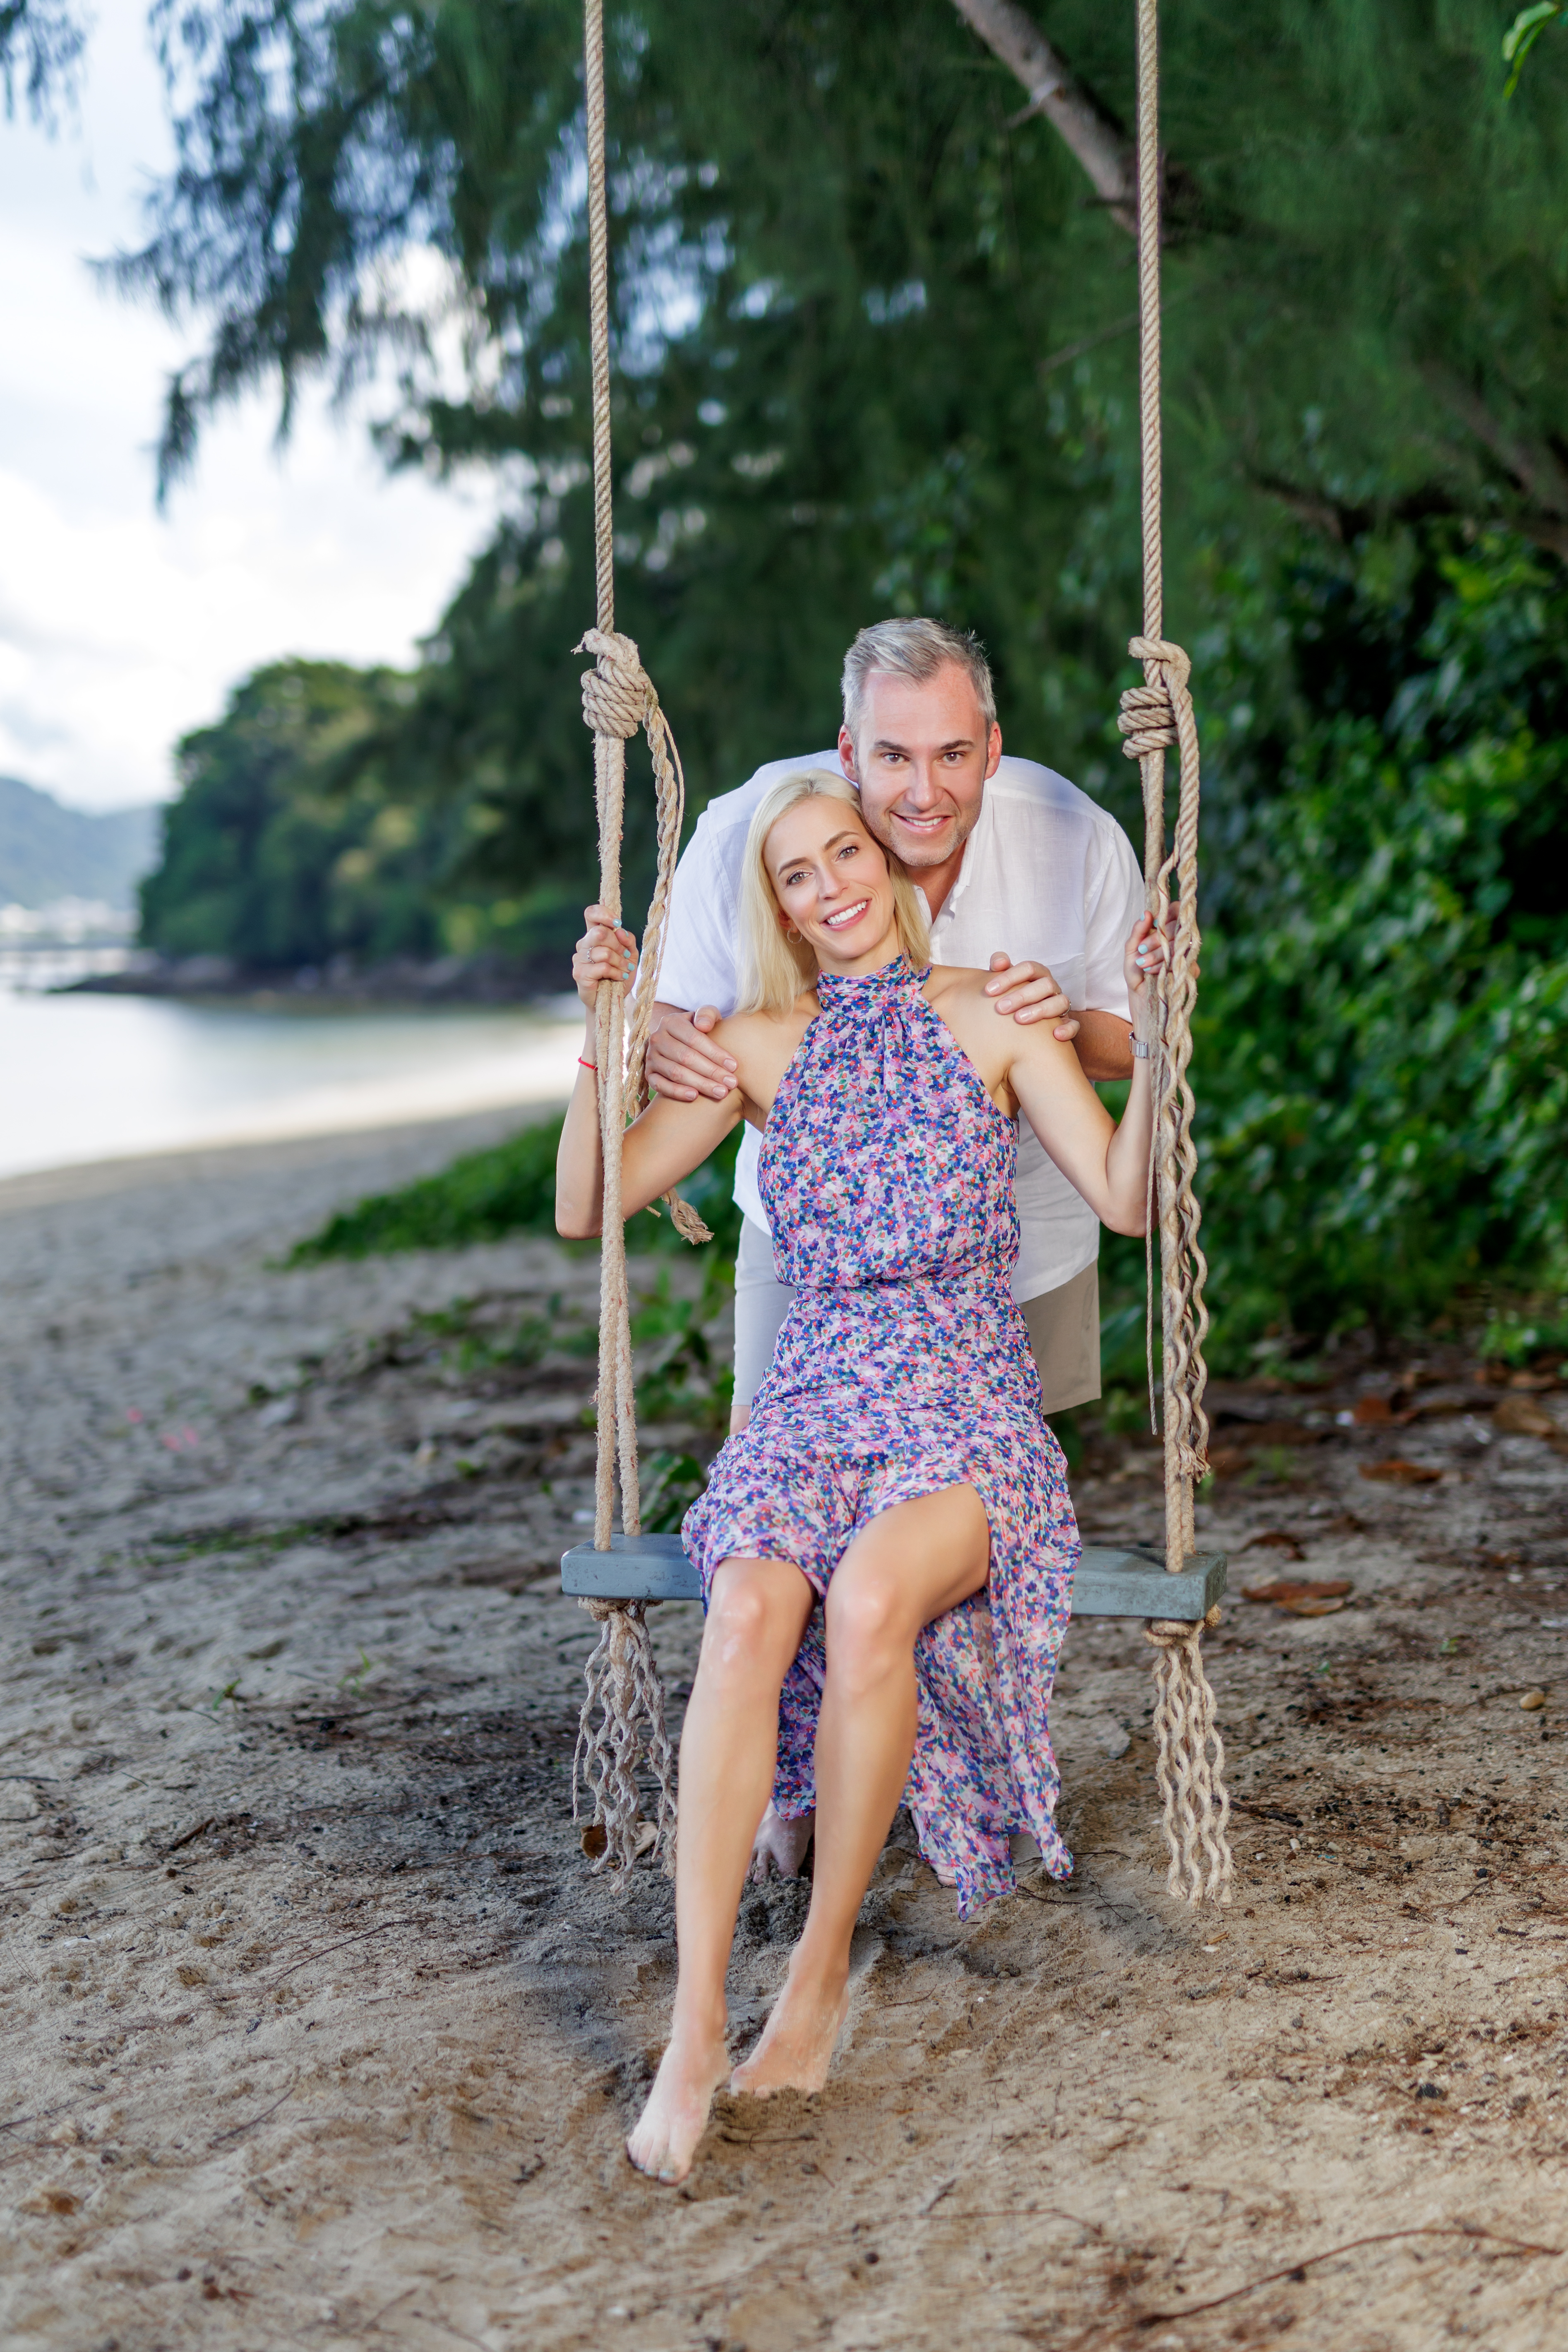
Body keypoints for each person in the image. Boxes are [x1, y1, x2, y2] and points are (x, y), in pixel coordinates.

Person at [556, 767, 1166, 2186]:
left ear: (886, 859)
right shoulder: (759, 1044)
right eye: (796, 873)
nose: (831, 885)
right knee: (750, 1609)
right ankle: (697, 2024)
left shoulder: (998, 1014)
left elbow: (1129, 1199)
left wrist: (1170, 1032)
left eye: (846, 852)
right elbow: (591, 1206)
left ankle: (818, 1971)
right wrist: (601, 1039)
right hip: (811, 1402)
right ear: (773, 903)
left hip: (962, 1400)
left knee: (873, 1595)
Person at [648, 616, 1145, 1880]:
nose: (924, 790)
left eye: (953, 755)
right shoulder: (763, 834)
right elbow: (687, 1025)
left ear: (992, 747)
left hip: (1011, 1237)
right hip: (815, 1244)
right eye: (892, 759)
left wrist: (1047, 1013)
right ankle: (804, 1786)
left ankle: (928, 1765)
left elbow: (1136, 1042)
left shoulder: (1076, 836)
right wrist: (639, 1039)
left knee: (940, 1537)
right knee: (792, 1519)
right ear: (845, 756)